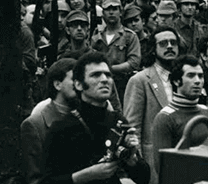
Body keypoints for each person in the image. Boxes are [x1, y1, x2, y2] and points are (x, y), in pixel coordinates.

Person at [19, 53, 149, 184]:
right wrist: (84, 176)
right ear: (78, 85)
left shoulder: (117, 121)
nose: (104, 79)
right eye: (95, 75)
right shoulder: (62, 128)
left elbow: (144, 178)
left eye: (108, 75)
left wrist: (132, 161)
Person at [123, 26, 179, 183]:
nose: (169, 46)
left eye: (173, 43)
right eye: (163, 43)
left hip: (180, 160)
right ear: (153, 49)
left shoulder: (183, 78)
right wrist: (139, 168)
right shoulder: (140, 80)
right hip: (153, 162)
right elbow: (133, 127)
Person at [151, 55, 208, 175]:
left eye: (200, 76)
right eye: (191, 75)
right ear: (177, 81)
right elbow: (162, 168)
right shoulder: (165, 118)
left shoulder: (206, 112)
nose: (198, 81)